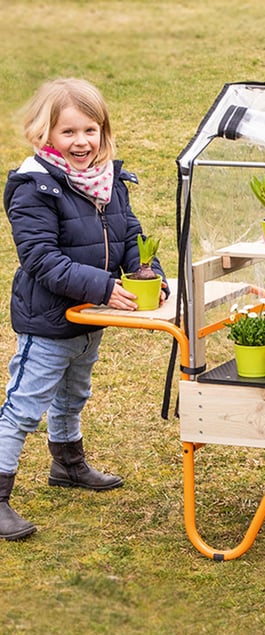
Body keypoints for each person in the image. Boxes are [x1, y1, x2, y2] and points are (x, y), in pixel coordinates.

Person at [0, 78, 168, 541]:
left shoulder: (108, 179)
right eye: (68, 132)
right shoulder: (34, 186)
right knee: (24, 406)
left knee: (74, 395)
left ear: (103, 132)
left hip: (91, 318)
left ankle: (68, 464)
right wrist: (104, 286)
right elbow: (40, 259)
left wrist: (151, 274)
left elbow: (131, 235)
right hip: (49, 320)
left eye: (90, 131)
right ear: (45, 134)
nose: (81, 142)